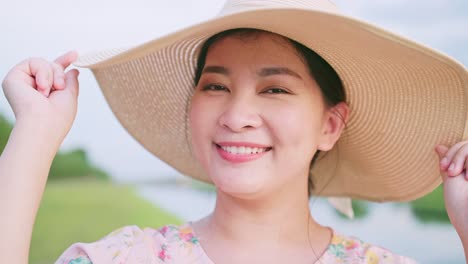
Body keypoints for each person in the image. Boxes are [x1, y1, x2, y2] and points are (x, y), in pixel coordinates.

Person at [1, 0, 467, 263]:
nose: (236, 114)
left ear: (330, 125)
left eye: (276, 89)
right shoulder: (128, 258)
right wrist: (36, 134)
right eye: (216, 85)